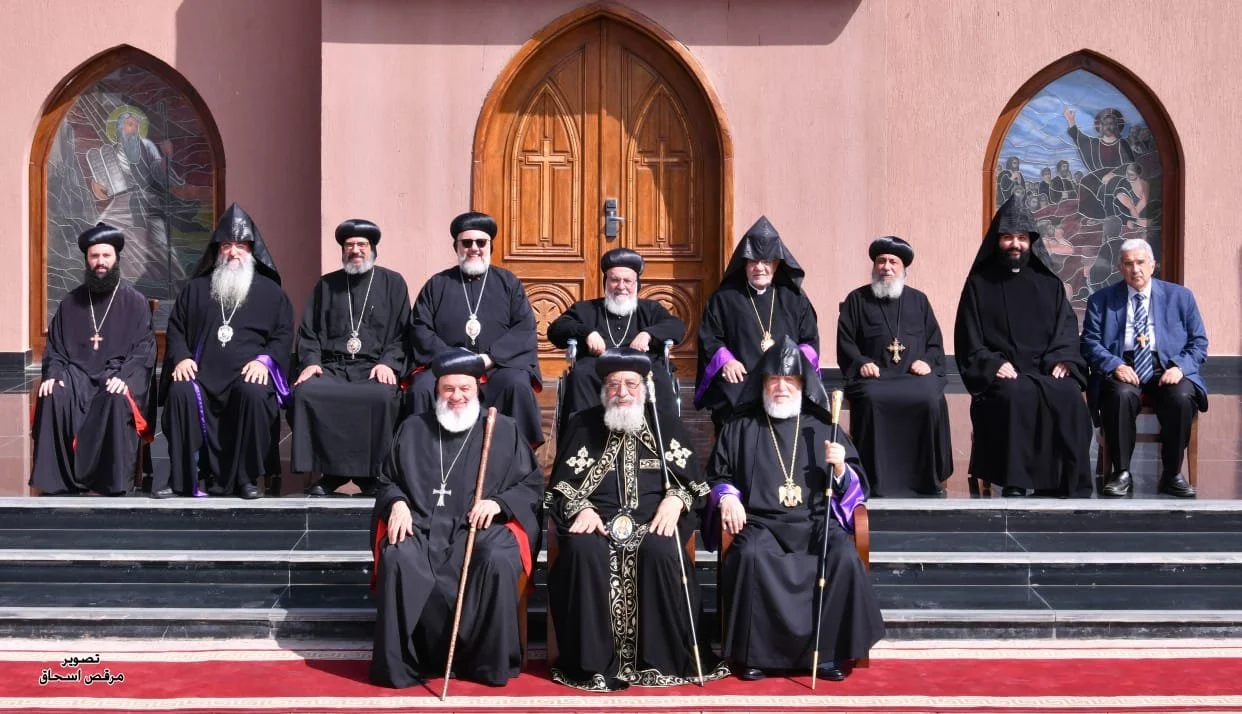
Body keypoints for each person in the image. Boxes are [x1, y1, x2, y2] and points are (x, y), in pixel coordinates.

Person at [706, 337, 885, 682]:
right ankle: (757, 656)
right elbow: (717, 476)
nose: (781, 387)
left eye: (789, 380)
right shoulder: (740, 426)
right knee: (751, 557)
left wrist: (840, 469)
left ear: (802, 384)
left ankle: (830, 653)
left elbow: (857, 484)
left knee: (844, 559)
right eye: (774, 380)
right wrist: (727, 496)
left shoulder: (823, 426)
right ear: (762, 384)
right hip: (762, 524)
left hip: (816, 523)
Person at [546, 348, 726, 691]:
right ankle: (591, 665)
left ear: (644, 387)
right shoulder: (582, 424)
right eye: (614, 385)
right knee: (584, 553)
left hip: (652, 523)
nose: (622, 392)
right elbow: (559, 489)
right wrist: (580, 507)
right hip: (595, 524)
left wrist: (676, 499)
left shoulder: (665, 424)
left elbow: (694, 484)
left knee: (660, 551)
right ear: (604, 389)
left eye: (630, 384)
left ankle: (659, 661)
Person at [369, 348, 543, 688]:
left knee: (496, 557)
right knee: (398, 555)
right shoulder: (413, 428)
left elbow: (532, 485)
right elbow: (387, 480)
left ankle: (483, 661)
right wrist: (397, 503)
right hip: (420, 526)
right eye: (448, 389)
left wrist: (500, 504)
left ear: (478, 386)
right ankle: (407, 662)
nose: (457, 396)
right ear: (437, 390)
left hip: (479, 530)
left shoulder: (503, 429)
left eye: (464, 388)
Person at [955, 195, 1093, 498]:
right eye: (1007, 237)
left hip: (1045, 369)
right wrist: (991, 364)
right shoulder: (979, 284)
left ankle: (1061, 481)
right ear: (997, 240)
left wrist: (1063, 359)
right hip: (1005, 373)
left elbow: (1066, 330)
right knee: (1014, 394)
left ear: (1031, 241)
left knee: (1069, 394)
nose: (1014, 244)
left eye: (1021, 237)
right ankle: (1014, 481)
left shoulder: (1050, 284)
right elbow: (969, 339)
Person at [159, 203, 293, 499]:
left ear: (252, 250)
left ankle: (246, 479)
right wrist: (180, 357)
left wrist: (265, 361)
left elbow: (283, 335)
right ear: (217, 249)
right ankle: (183, 478)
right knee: (180, 392)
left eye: (241, 245)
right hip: (202, 378)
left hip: (245, 378)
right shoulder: (195, 290)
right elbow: (177, 328)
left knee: (255, 394)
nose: (234, 252)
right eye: (227, 245)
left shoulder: (272, 294)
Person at [30, 223, 155, 495]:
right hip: (77, 378)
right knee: (53, 395)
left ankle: (108, 482)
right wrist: (53, 375)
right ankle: (59, 482)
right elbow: (56, 349)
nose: (100, 262)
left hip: (115, 375)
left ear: (116, 258)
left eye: (105, 256)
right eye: (94, 256)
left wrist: (125, 378)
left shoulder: (135, 302)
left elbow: (143, 352)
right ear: (87, 260)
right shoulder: (70, 303)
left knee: (115, 397)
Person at [291, 219, 411, 496]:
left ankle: (372, 474)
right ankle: (330, 474)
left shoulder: (392, 283)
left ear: (372, 249)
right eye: (350, 245)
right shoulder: (327, 285)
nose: (356, 250)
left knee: (381, 397)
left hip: (373, 366)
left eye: (362, 244)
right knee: (308, 393)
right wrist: (311, 364)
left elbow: (403, 333)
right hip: (333, 366)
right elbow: (308, 331)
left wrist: (388, 363)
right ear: (343, 250)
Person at [1081, 238, 1206, 498]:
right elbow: (1090, 343)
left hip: (1166, 365)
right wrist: (1114, 364)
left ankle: (1172, 474)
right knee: (1121, 395)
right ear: (1119, 268)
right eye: (1128, 264)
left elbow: (1199, 342)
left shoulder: (1180, 297)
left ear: (1153, 265)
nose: (1135, 269)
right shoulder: (1101, 300)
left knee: (1182, 397)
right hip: (1123, 364)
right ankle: (1121, 472)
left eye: (1140, 262)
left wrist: (1180, 367)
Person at [409, 211, 543, 447]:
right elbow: (420, 327)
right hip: (446, 367)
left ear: (490, 246)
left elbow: (524, 327)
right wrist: (452, 360)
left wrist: (490, 357)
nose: (474, 248)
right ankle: (422, 455)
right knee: (421, 387)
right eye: (467, 242)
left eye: (481, 242)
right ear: (456, 247)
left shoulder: (508, 283)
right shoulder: (437, 284)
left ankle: (517, 460)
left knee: (517, 385)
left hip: (495, 366)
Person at [837, 236, 953, 496]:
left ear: (903, 269)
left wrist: (927, 362)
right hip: (875, 379)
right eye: (881, 261)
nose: (886, 267)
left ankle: (927, 479)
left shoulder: (919, 301)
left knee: (929, 398)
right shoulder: (856, 300)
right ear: (874, 266)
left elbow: (935, 344)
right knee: (871, 398)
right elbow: (845, 343)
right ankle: (876, 479)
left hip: (914, 377)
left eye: (893, 262)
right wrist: (861, 362)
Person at [696, 216, 820, 431]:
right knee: (729, 401)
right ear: (744, 264)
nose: (759, 268)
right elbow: (710, 337)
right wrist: (726, 361)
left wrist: (792, 367)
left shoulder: (795, 298)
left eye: (766, 262)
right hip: (741, 377)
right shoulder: (724, 298)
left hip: (783, 377)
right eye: (753, 261)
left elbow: (809, 340)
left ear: (777, 264)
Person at [547, 247, 684, 430]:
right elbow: (556, 329)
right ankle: (582, 442)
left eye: (627, 281)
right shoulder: (587, 309)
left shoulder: (650, 309)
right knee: (580, 374)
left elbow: (676, 327)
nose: (621, 286)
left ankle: (662, 441)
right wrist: (586, 332)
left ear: (636, 284)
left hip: (644, 368)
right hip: (595, 369)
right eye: (614, 280)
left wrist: (649, 334)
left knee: (660, 376)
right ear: (606, 282)